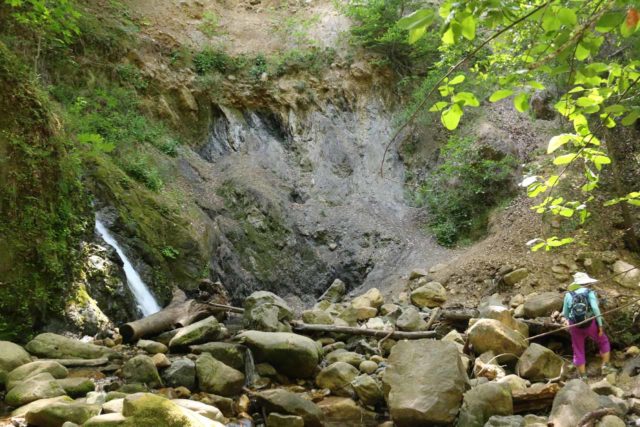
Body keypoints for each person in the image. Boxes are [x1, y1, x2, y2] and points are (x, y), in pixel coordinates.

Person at [562, 272, 613, 380]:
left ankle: (583, 377)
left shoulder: (568, 294)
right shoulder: (589, 292)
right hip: (590, 323)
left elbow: (565, 313)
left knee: (578, 349)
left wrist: (568, 320)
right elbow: (595, 309)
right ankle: (605, 367)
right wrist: (600, 325)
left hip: (575, 325)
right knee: (603, 341)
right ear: (586, 282)